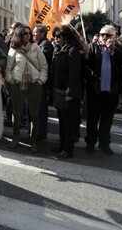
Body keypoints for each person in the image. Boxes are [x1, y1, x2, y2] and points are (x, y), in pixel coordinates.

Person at [84, 25, 122, 155]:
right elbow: (87, 63)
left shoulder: (118, 48)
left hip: (111, 91)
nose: (105, 37)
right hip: (95, 90)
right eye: (103, 34)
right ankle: (90, 142)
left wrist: (114, 50)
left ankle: (104, 143)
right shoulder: (93, 47)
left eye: (108, 35)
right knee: (92, 119)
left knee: (107, 119)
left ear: (114, 37)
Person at [5, 25, 48, 153]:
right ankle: (16, 137)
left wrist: (41, 80)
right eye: (25, 34)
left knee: (34, 113)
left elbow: (44, 66)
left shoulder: (36, 48)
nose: (28, 36)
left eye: (29, 33)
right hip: (17, 83)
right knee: (17, 112)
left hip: (34, 84)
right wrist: (11, 80)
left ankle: (33, 139)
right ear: (19, 35)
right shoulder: (13, 50)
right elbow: (8, 68)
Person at [50, 25, 84, 158]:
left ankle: (68, 149)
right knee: (62, 120)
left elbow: (74, 73)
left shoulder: (72, 50)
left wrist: (70, 92)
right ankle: (62, 144)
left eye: (59, 36)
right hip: (58, 90)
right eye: (55, 36)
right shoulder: (58, 50)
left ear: (66, 37)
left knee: (68, 122)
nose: (56, 39)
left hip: (68, 92)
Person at [33, 24, 53, 140]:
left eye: (36, 32)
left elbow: (40, 60)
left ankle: (41, 132)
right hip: (38, 80)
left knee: (40, 108)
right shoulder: (40, 44)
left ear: (42, 33)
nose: (34, 34)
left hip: (41, 81)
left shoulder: (46, 45)